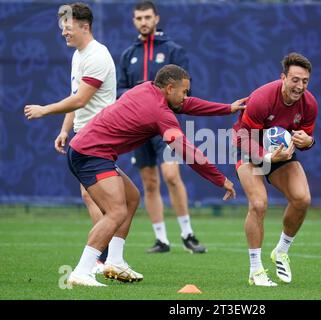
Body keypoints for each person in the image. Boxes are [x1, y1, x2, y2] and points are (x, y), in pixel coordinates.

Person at [64, 64, 245, 286]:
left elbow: (186, 104)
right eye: (184, 91)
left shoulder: (147, 88)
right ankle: (82, 271)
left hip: (89, 151)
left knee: (132, 199)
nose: (186, 96)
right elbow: (188, 152)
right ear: (169, 88)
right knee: (116, 211)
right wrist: (220, 179)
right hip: (90, 154)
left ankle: (115, 261)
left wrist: (227, 108)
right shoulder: (160, 113)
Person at [23, 2, 121, 275]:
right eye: (62, 28)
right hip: (85, 133)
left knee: (111, 204)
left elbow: (80, 98)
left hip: (99, 135)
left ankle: (103, 260)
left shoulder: (97, 56)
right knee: (97, 199)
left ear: (84, 27)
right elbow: (77, 100)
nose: (64, 33)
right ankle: (107, 259)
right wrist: (65, 129)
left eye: (68, 28)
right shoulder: (79, 55)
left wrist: (44, 110)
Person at [118, 1, 205, 254]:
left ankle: (188, 234)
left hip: (166, 126)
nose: (143, 21)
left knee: (171, 176)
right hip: (138, 128)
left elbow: (186, 89)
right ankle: (161, 240)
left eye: (147, 17)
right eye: (138, 18)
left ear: (156, 18)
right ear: (134, 21)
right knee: (149, 182)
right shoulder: (127, 55)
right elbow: (119, 90)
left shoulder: (173, 51)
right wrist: (138, 95)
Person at [232, 53, 318, 286]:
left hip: (281, 155)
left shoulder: (309, 104)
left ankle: (281, 251)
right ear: (283, 77)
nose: (300, 86)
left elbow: (308, 138)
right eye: (295, 79)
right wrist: (267, 156)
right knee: (259, 204)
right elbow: (243, 138)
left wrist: (308, 141)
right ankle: (256, 270)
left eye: (305, 81)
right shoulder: (262, 98)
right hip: (249, 150)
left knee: (302, 199)